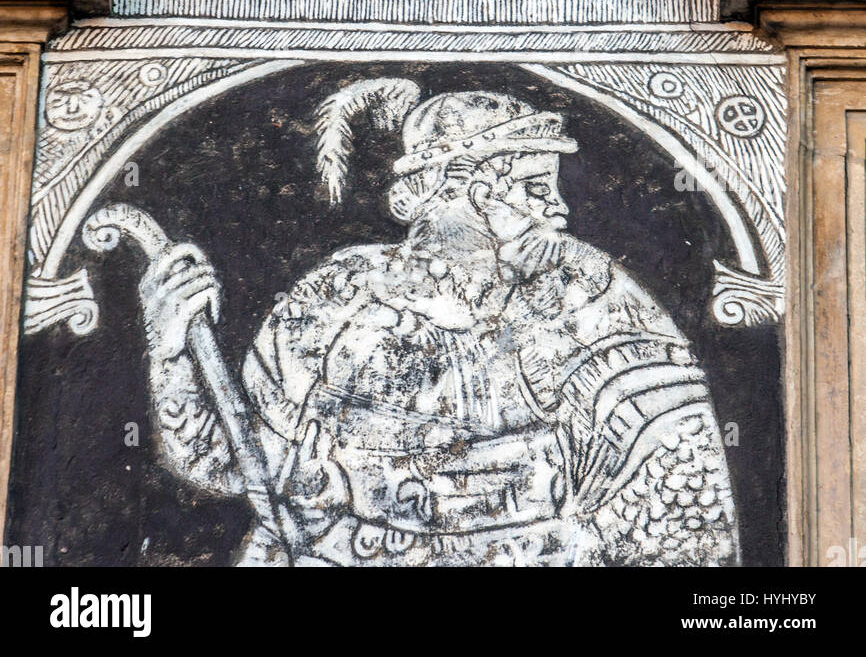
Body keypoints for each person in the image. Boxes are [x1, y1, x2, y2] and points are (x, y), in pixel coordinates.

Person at [138, 85, 738, 567]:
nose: (558, 210)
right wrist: (171, 355)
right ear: (462, 190)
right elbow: (228, 462)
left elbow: (676, 490)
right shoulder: (338, 292)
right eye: (535, 189)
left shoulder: (589, 293)